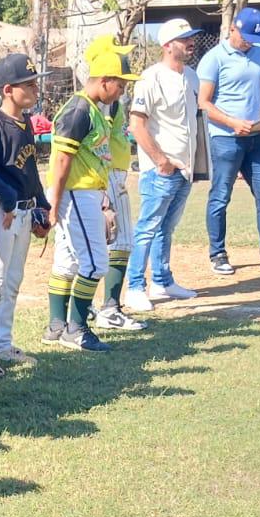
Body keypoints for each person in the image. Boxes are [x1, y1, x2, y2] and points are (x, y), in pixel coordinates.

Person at [44, 37, 138, 353]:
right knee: (96, 263)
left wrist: (102, 195)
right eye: (121, 84)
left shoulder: (96, 109)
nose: (123, 89)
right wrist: (54, 204)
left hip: (85, 191)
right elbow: (61, 161)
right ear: (105, 80)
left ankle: (57, 326)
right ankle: (77, 329)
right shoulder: (80, 110)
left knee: (69, 262)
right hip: (73, 193)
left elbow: (94, 158)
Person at [197, 6, 260, 274]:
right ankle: (217, 254)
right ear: (232, 29)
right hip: (225, 139)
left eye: (255, 38)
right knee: (220, 196)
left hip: (257, 136)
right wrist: (232, 122)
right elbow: (203, 103)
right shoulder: (214, 58)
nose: (250, 43)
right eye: (246, 38)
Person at [0, 53, 51, 373]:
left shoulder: (26, 123)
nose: (35, 89)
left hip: (21, 212)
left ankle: (2, 344)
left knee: (12, 281)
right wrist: (6, 199)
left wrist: (42, 205)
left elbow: (29, 170)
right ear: (7, 89)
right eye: (28, 84)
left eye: (35, 83)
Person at [122, 18, 203, 314]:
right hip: (161, 170)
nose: (190, 42)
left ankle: (162, 280)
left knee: (166, 228)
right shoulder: (150, 77)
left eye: (191, 37)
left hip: (184, 168)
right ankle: (134, 287)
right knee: (147, 227)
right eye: (184, 39)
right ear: (168, 45)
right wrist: (160, 160)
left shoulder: (191, 77)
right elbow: (137, 125)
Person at [91, 54, 146, 333]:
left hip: (111, 172)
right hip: (108, 173)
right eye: (121, 83)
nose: (123, 88)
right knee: (121, 240)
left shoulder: (107, 104)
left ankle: (93, 305)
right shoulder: (103, 105)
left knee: (94, 243)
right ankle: (109, 308)